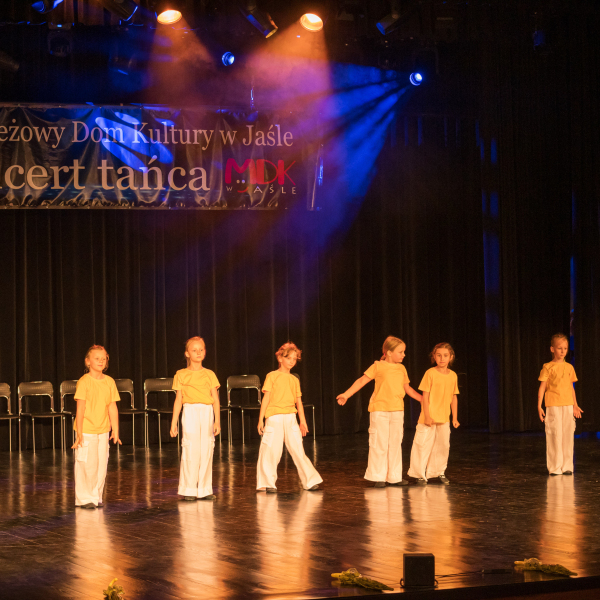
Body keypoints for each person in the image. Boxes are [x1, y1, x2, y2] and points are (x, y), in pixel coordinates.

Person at [337, 336, 423, 487]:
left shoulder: (401, 368)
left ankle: (395, 477)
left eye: (404, 352)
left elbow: (407, 388)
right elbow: (361, 381)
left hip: (397, 410)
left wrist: (422, 399)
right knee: (379, 443)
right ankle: (379, 476)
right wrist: (346, 394)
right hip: (380, 411)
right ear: (389, 352)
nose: (403, 355)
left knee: (395, 443)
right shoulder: (378, 366)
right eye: (400, 352)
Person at [257, 342, 322, 493]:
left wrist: (302, 421)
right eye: (289, 358)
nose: (292, 361)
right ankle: (267, 483)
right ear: (280, 358)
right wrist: (261, 419)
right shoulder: (272, 376)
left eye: (294, 358)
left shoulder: (294, 379)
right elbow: (266, 398)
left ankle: (310, 481)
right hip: (274, 418)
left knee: (298, 450)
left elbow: (299, 402)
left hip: (291, 418)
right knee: (271, 451)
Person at [170, 336, 221, 501]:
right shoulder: (181, 374)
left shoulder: (209, 374)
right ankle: (189, 489)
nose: (198, 353)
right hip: (190, 411)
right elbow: (178, 400)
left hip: (206, 411)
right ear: (187, 353)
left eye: (201, 350)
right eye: (194, 350)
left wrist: (217, 421)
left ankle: (205, 489)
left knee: (206, 448)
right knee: (190, 448)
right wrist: (174, 422)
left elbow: (215, 399)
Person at [72, 345, 121, 509]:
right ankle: (85, 498)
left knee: (101, 465)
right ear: (88, 361)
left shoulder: (109, 382)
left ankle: (96, 496)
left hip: (103, 430)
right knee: (87, 464)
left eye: (103, 358)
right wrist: (79, 433)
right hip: (87, 430)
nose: (101, 361)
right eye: (97, 358)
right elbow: (80, 409)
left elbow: (112, 407)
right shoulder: (84, 382)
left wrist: (115, 429)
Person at [408, 343, 459, 485]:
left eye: (445, 355)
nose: (442, 358)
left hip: (444, 417)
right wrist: (427, 415)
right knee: (422, 445)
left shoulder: (453, 375)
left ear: (451, 357)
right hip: (429, 416)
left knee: (443, 446)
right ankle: (419, 474)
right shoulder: (430, 373)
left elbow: (453, 396)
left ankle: (438, 472)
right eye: (439, 355)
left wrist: (454, 417)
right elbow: (425, 396)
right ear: (434, 357)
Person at [537, 333, 583, 476]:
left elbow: (571, 388)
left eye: (565, 348)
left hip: (567, 405)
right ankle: (555, 467)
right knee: (554, 435)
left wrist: (575, 404)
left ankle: (567, 466)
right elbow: (542, 387)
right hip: (553, 405)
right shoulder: (548, 367)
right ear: (552, 349)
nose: (563, 351)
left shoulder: (569, 367)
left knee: (567, 435)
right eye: (559, 348)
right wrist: (539, 406)